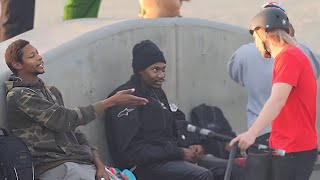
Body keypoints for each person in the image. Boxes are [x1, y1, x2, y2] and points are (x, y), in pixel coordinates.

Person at [4, 39, 148, 180]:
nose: (39, 57)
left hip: (79, 163)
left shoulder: (51, 91)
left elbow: (73, 130)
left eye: (37, 53)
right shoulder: (18, 95)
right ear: (17, 64)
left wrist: (99, 165)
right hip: (55, 167)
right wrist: (110, 102)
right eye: (32, 56)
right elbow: (65, 119)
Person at [228, 3, 320, 179]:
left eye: (255, 38)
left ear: (264, 34)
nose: (255, 44)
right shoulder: (294, 54)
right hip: (290, 145)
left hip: (293, 148)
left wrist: (252, 133)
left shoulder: (288, 56)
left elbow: (277, 100)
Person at [105, 40, 215, 180]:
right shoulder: (127, 98)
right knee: (203, 175)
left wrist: (190, 143)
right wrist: (178, 152)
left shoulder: (157, 93)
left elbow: (176, 121)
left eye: (163, 69)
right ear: (140, 70)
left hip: (168, 158)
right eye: (155, 70)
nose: (162, 75)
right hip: (141, 167)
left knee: (227, 167)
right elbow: (131, 152)